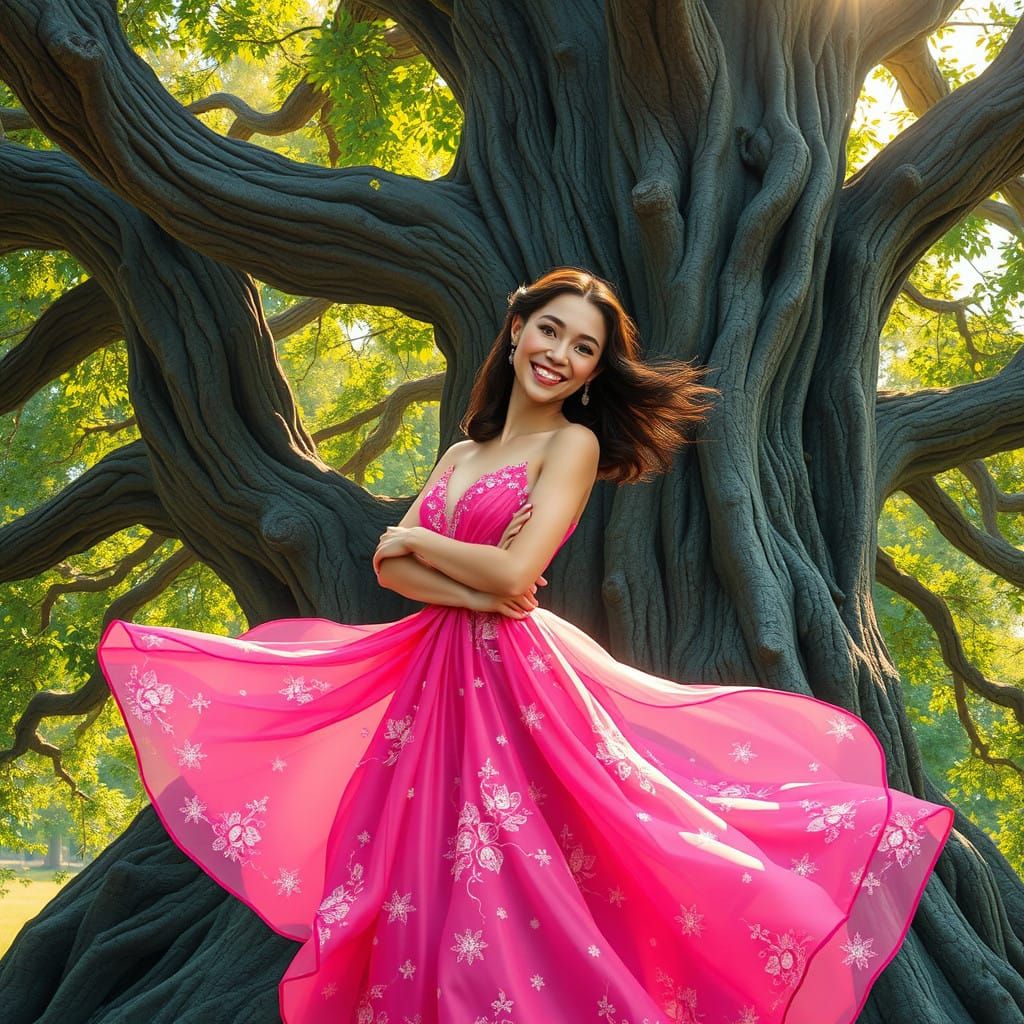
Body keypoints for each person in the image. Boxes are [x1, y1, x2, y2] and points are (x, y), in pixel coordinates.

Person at [97, 267, 954, 1024]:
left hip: (513, 686)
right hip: (427, 690)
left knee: (525, 879)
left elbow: (511, 574)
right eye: (550, 330)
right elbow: (392, 570)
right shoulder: (465, 451)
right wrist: (445, 564)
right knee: (414, 890)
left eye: (583, 348)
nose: (560, 354)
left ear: (591, 371)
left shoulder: (571, 445)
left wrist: (428, 549)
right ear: (516, 331)